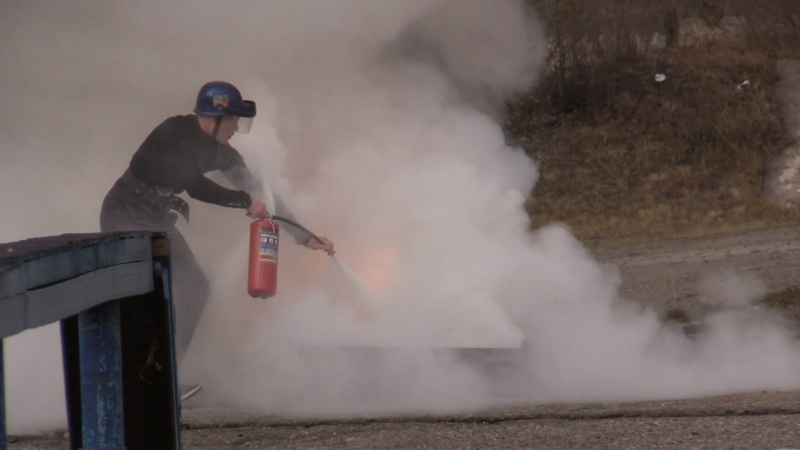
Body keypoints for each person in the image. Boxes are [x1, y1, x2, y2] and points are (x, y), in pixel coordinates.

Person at [99, 81, 335, 400]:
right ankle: (136, 381)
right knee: (150, 290)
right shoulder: (174, 132)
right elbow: (193, 185)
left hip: (154, 217)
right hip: (127, 210)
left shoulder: (221, 152)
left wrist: (306, 237)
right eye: (234, 120)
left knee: (195, 287)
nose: (237, 128)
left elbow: (259, 189)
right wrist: (242, 202)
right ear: (215, 118)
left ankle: (162, 378)